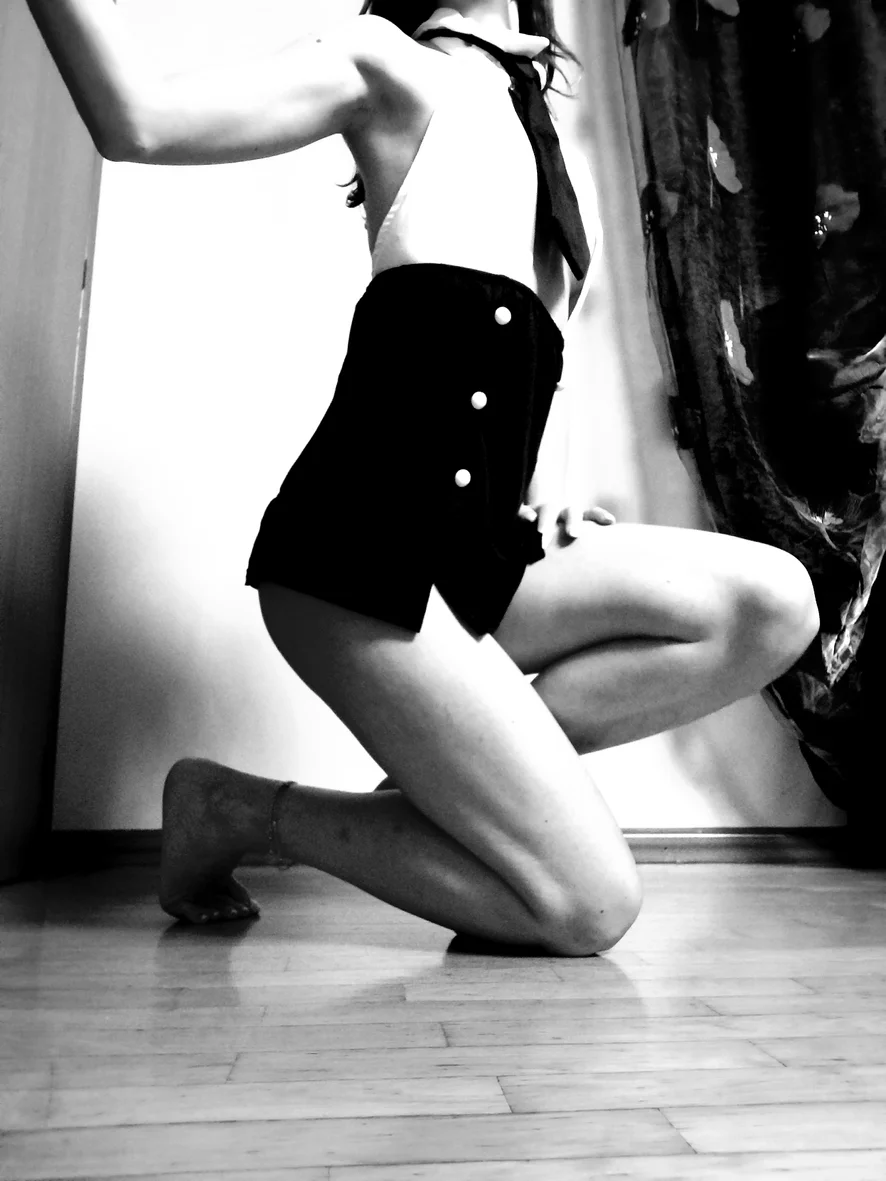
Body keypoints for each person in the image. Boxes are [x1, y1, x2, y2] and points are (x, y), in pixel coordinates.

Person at [30, 0, 820, 954]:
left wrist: (551, 486)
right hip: (363, 554)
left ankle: (457, 782)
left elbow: (525, 352)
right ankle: (238, 806)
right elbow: (139, 119)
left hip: (483, 551)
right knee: (591, 906)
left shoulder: (538, 128)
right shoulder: (389, 68)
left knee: (775, 603)